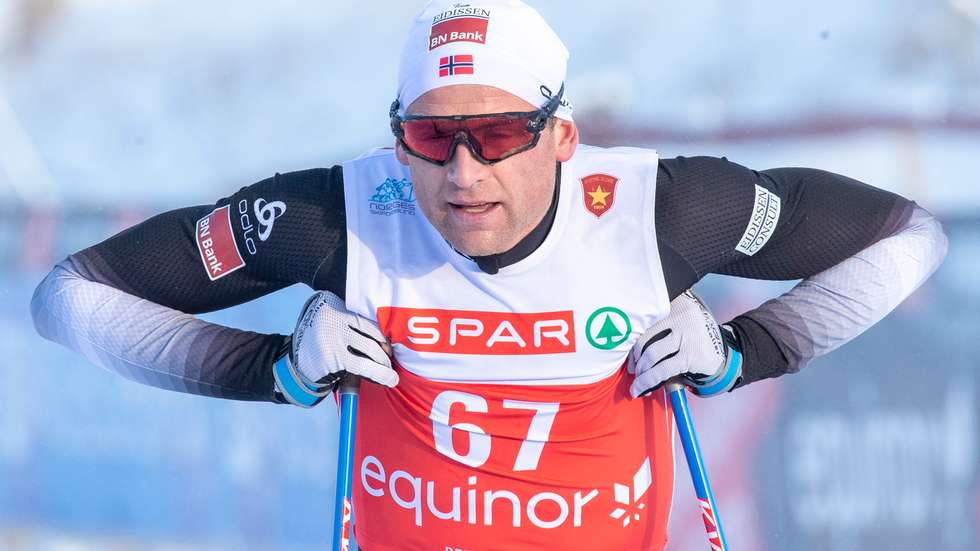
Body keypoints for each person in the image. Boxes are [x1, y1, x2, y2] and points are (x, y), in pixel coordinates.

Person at [31, 1, 947, 549]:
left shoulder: (662, 210)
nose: (463, 172)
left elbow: (911, 237)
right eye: (432, 138)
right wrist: (272, 370)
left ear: (561, 135)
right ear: (399, 140)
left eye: (500, 134)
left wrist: (752, 348)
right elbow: (68, 296)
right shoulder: (340, 214)